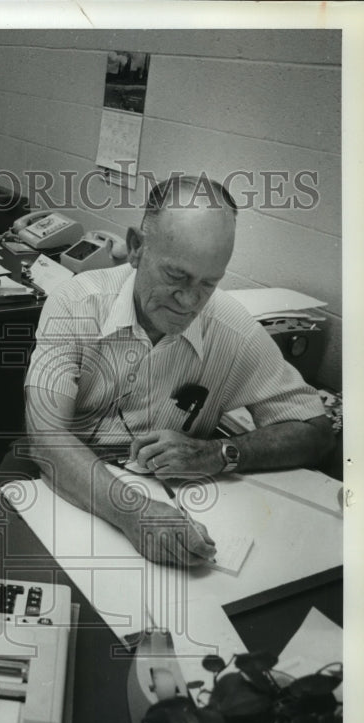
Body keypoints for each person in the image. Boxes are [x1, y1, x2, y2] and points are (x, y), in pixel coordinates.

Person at [22, 173, 334, 566]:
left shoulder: (232, 329)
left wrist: (218, 452)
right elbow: (45, 437)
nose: (189, 302)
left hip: (168, 506)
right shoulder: (76, 303)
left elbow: (315, 432)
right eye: (176, 276)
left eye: (208, 284)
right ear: (137, 248)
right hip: (64, 488)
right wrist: (134, 513)